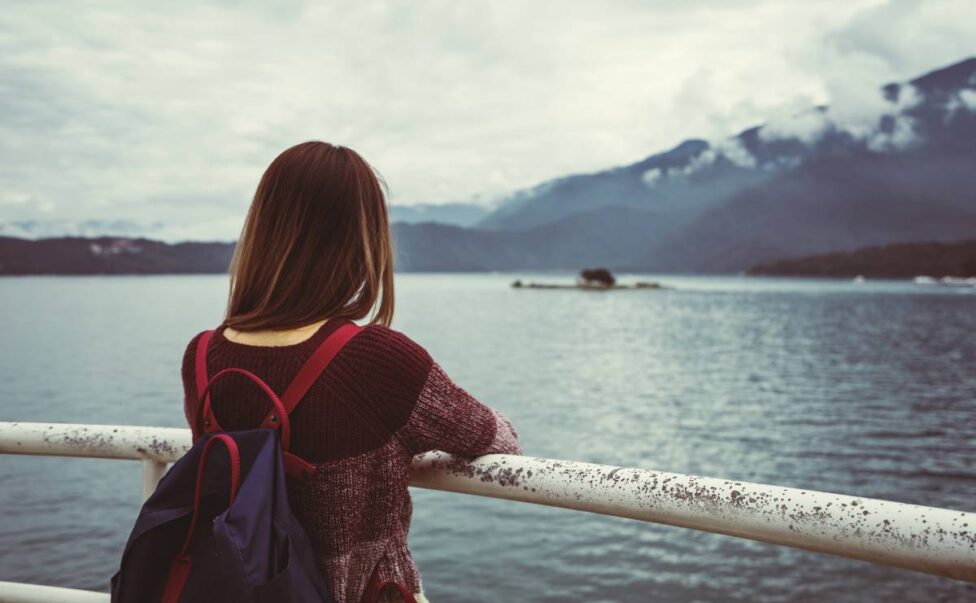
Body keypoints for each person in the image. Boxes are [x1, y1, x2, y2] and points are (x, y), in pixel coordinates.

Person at [180, 141, 523, 602]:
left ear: (260, 230)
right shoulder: (375, 359)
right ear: (363, 241)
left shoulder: (204, 356)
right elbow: (497, 440)